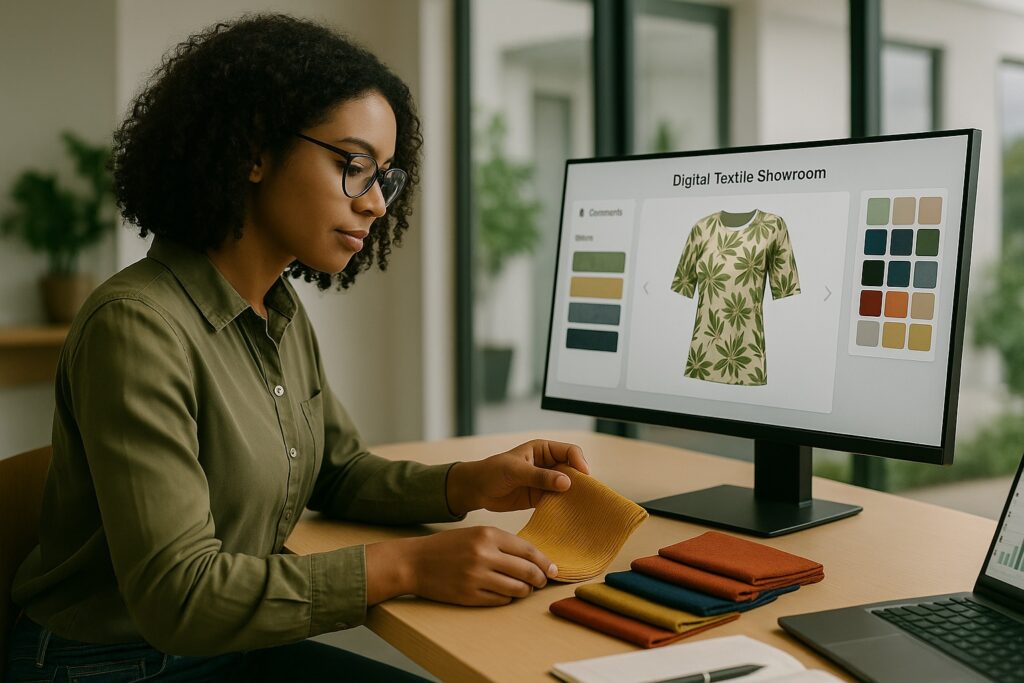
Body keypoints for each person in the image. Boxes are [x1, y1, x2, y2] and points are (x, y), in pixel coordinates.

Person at [4, 13, 588, 682]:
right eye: (353, 165)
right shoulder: (135, 327)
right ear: (253, 150)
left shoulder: (278, 311)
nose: (375, 203)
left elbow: (336, 472)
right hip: (108, 665)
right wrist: (411, 566)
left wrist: (470, 482)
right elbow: (179, 594)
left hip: (221, 647)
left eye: (385, 178)